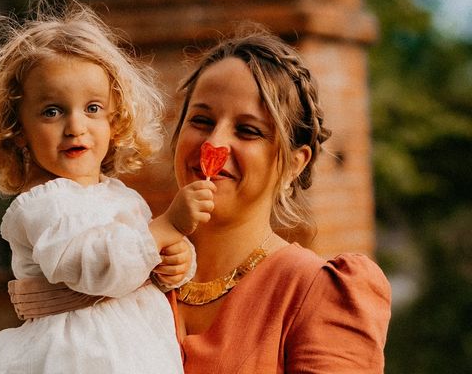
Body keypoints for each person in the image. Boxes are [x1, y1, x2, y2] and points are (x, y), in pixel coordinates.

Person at [0, 0, 214, 374]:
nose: (75, 126)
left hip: (136, 351)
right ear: (17, 130)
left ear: (116, 120)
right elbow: (93, 266)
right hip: (76, 356)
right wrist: (165, 227)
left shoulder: (122, 198)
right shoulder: (43, 205)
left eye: (92, 108)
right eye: (52, 111)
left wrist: (174, 262)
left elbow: (140, 260)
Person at [168, 24, 392, 373]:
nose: (215, 143)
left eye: (248, 130)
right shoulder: (127, 266)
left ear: (293, 163)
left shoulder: (317, 293)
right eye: (201, 120)